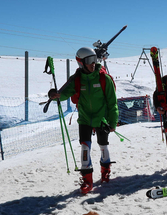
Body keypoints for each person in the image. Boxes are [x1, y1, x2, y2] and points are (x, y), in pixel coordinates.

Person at [48, 47, 119, 194]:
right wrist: (55, 95)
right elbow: (64, 93)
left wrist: (113, 122)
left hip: (102, 118)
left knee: (103, 145)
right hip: (85, 118)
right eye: (88, 61)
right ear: (81, 62)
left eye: (94, 59)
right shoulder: (77, 80)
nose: (93, 63)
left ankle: (105, 171)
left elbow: (113, 103)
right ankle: (87, 180)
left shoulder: (104, 78)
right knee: (85, 147)